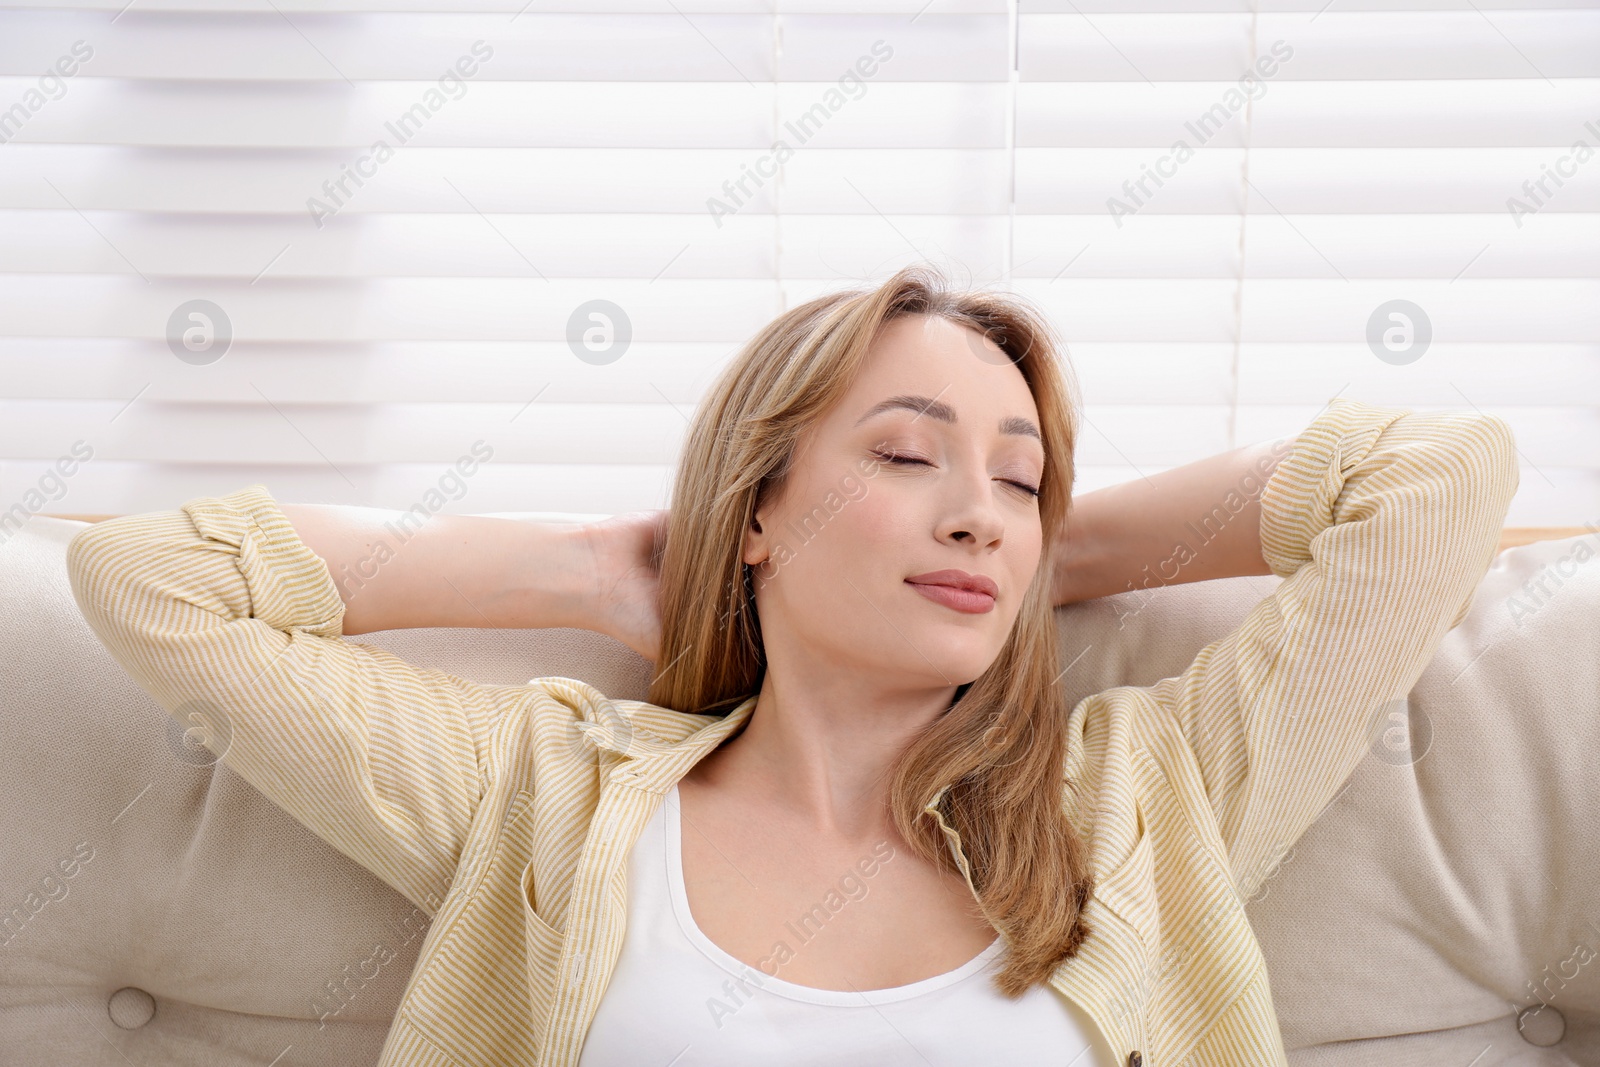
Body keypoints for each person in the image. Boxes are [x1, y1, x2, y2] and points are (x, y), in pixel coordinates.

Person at [66, 265, 1520, 1067]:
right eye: (902, 455)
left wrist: (1040, 555)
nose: (974, 508)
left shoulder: (1146, 797)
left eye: (1019, 479)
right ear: (759, 506)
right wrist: (587, 568)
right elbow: (153, 583)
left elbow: (1438, 478)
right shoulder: (554, 796)